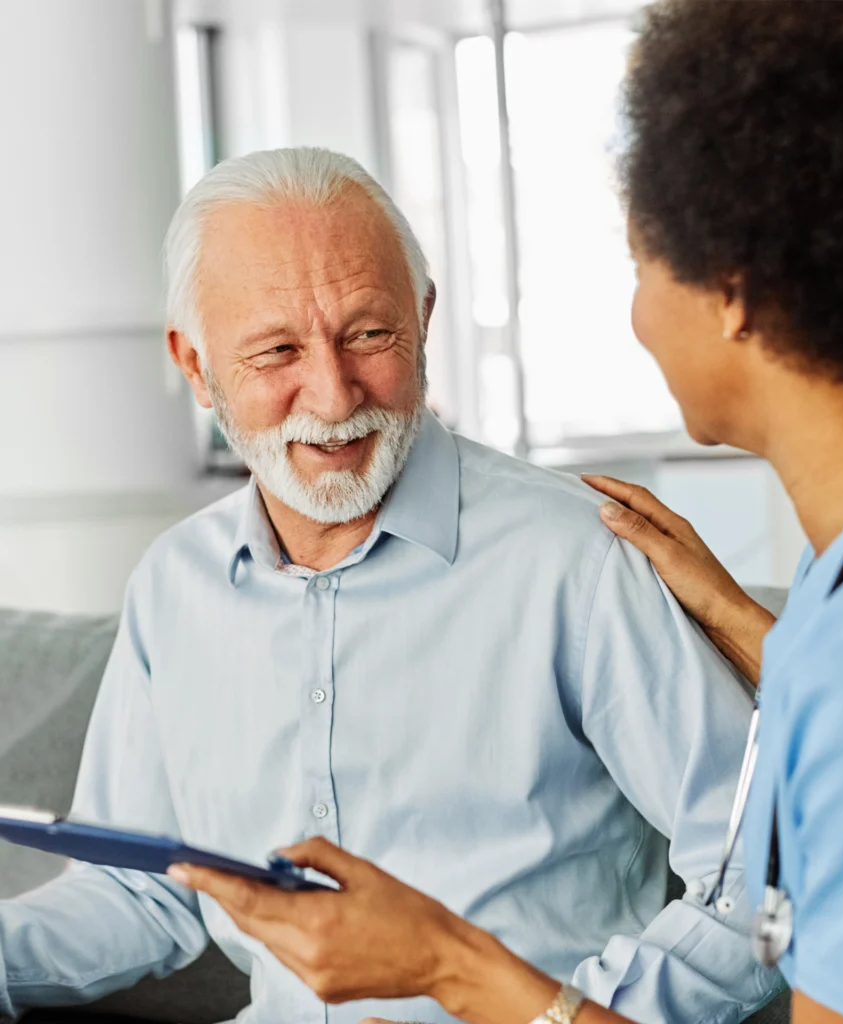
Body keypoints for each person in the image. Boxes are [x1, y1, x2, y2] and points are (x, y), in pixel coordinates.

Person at [172, 2, 843, 1023]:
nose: (634, 317)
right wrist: (767, 641)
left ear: (732, 293)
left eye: (638, 265)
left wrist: (449, 961)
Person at [0, 148, 780, 1024]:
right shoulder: (174, 586)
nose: (333, 398)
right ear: (195, 365)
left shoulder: (580, 557)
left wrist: (566, 1017)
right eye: (276, 352)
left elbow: (759, 866)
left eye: (369, 335)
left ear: (424, 316)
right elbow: (139, 893)